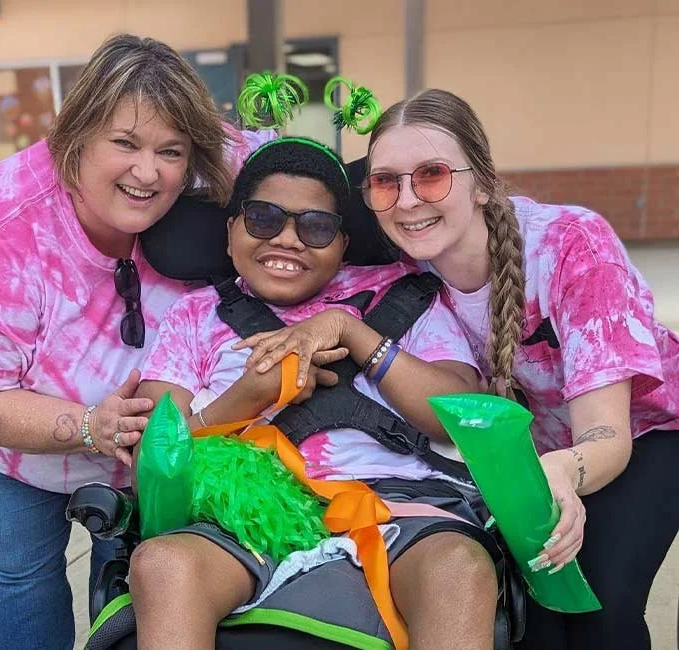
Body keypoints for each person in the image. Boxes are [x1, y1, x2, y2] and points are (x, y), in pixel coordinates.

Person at [244, 89, 679, 650]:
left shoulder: (572, 244)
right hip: (527, 450)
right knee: (533, 620)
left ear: (483, 183)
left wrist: (565, 472)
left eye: (431, 175)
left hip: (641, 435)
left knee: (599, 604)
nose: (407, 201)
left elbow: (607, 434)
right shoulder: (401, 266)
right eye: (386, 182)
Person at [0, 34, 272, 650]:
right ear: (75, 135)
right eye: (124, 143)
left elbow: (305, 177)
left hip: (148, 452)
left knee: (131, 580)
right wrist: (89, 426)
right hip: (14, 449)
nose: (148, 171)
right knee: (22, 577)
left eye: (171, 151)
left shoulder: (219, 172)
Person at [128, 137, 504, 650]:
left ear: (344, 243)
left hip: (398, 506)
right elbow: (155, 453)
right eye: (263, 218)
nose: (288, 240)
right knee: (164, 564)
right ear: (231, 227)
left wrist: (353, 333)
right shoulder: (196, 315)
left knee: (460, 567)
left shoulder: (401, 292)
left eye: (316, 226)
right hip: (252, 514)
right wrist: (246, 398)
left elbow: (461, 415)